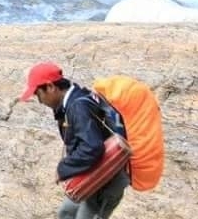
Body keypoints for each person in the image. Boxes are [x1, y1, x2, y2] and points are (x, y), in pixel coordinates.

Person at [20, 62, 130, 219]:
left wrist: (63, 169)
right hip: (91, 175)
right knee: (66, 213)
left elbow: (92, 147)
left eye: (38, 94)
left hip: (105, 180)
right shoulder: (73, 100)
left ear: (50, 87)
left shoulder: (78, 106)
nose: (39, 100)